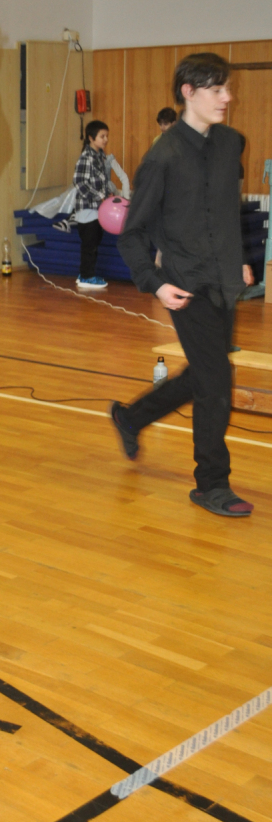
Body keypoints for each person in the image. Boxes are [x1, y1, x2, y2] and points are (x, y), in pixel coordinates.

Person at [111, 53, 255, 517]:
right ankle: (212, 484)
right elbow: (132, 233)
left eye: (227, 88)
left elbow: (225, 211)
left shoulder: (231, 143)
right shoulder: (163, 156)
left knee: (203, 373)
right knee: (216, 383)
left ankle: (130, 416)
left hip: (223, 280)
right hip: (185, 285)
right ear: (188, 93)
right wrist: (155, 284)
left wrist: (239, 259)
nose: (227, 98)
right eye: (217, 89)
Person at [72, 119, 129, 290]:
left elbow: (101, 182)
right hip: (87, 210)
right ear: (91, 138)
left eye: (107, 136)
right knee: (89, 245)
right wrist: (100, 197)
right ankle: (87, 277)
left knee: (94, 243)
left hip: (97, 210)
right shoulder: (86, 157)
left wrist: (108, 194)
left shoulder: (100, 156)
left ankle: (85, 274)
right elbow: (80, 182)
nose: (106, 139)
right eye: (102, 136)